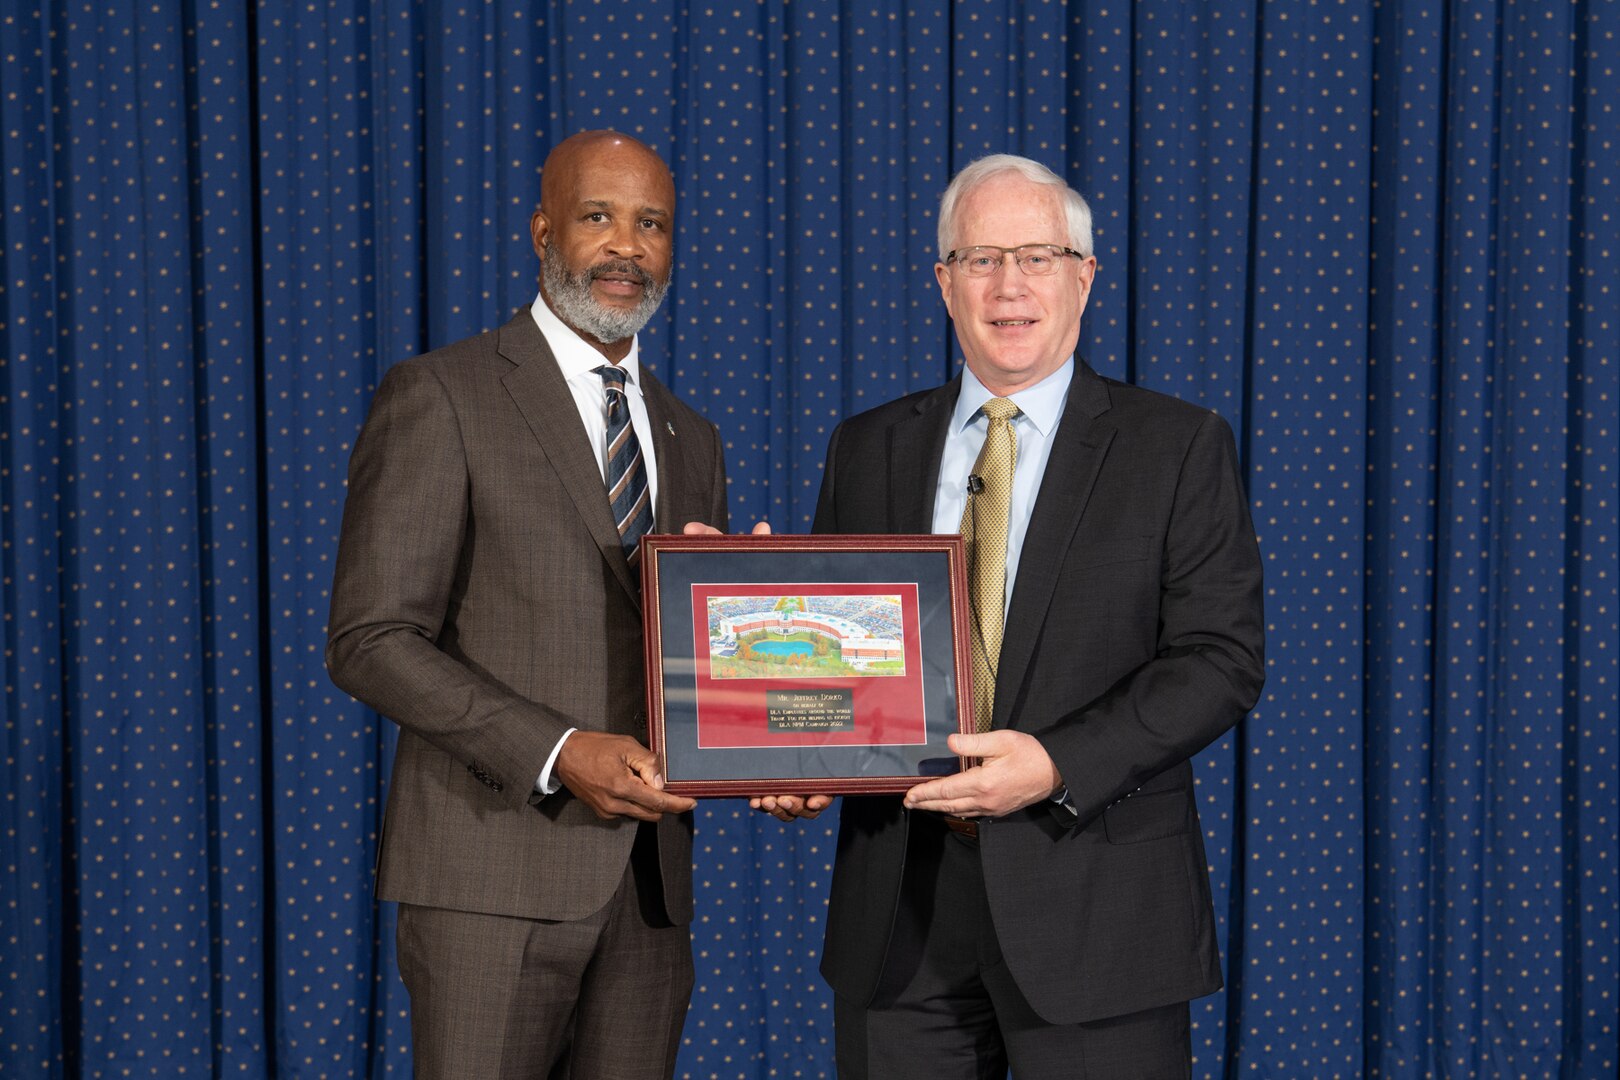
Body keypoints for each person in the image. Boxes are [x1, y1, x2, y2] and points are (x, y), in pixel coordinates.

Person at [755, 154, 1265, 1077]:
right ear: (944, 284)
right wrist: (793, 746)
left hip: (1098, 915)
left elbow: (1220, 659)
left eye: (1037, 255)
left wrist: (1057, 764)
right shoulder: (867, 445)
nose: (1009, 285)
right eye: (980, 258)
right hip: (900, 923)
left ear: (1085, 277)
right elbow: (838, 673)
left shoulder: (1177, 445)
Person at [326, 130, 728, 1078]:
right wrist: (557, 751)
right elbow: (370, 638)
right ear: (544, 230)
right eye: (599, 217)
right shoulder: (443, 394)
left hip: (649, 897)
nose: (626, 247)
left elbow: (687, 665)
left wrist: (777, 742)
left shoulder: (691, 436)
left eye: (651, 224)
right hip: (488, 882)